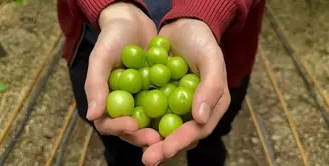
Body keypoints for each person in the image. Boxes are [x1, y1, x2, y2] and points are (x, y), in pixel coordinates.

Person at [57, 0, 266, 165]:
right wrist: (113, 7)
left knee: (210, 133)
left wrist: (207, 9)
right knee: (117, 141)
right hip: (98, 37)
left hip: (221, 46)